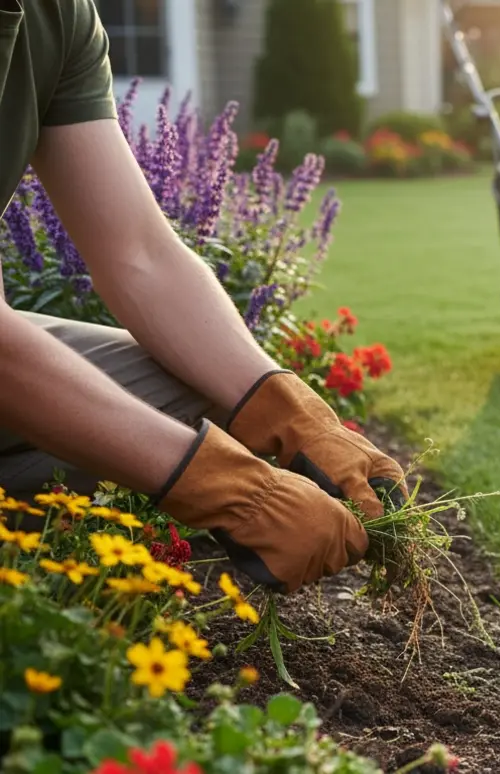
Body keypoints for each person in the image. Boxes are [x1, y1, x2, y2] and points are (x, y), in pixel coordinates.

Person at [0, 0, 407, 593]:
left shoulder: (58, 14)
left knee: (201, 394)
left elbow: (139, 252)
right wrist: (229, 489)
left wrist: (294, 414)